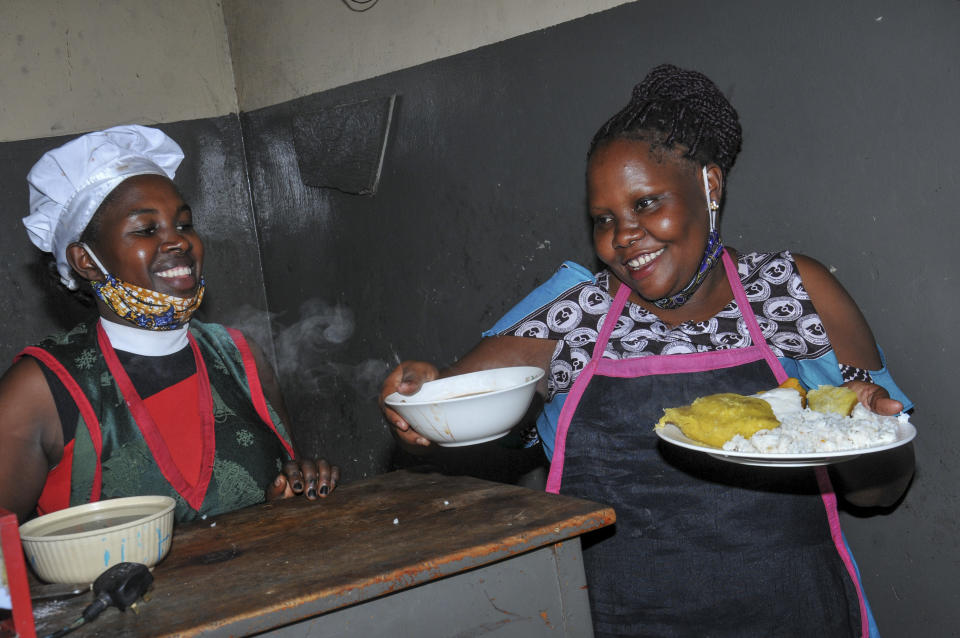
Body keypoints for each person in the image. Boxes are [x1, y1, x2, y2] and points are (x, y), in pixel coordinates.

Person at [380, 65, 914, 637]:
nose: (622, 235)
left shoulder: (793, 292)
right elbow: (442, 410)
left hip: (800, 615)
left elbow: (882, 492)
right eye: (603, 219)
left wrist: (868, 435)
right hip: (619, 621)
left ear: (709, 185)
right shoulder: (570, 311)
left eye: (647, 203)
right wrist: (415, 400)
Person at [0, 125, 339, 524]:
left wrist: (290, 496)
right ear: (86, 261)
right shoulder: (40, 389)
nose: (178, 241)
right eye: (147, 229)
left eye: (184, 224)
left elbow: (280, 498)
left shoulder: (239, 357)